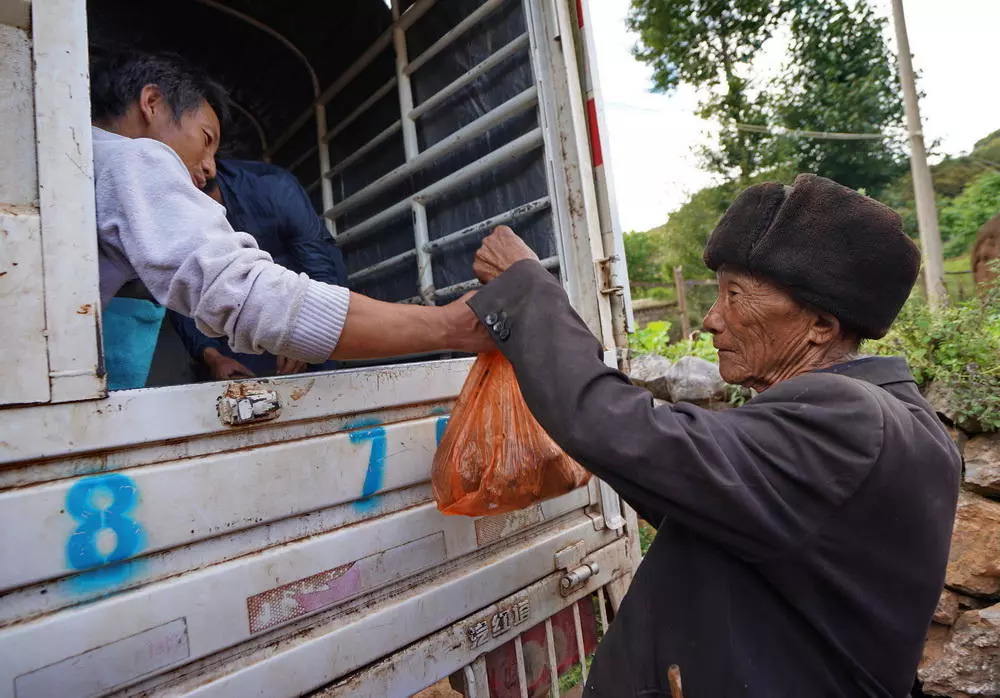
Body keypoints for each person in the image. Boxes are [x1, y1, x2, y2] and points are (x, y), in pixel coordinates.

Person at [468, 175, 961, 696]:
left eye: (734, 295)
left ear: (819, 325)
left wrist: (526, 293)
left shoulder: (848, 418)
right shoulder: (902, 422)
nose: (710, 319)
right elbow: (705, 494)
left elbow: (633, 434)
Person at [91, 51, 490, 373]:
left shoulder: (85, 159)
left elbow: (316, 256)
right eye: (206, 138)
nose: (210, 164)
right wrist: (447, 326)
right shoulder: (133, 159)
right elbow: (240, 292)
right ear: (152, 103)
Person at [169, 160, 347, 381]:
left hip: (305, 308)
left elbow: (321, 268)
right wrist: (214, 358)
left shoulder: (274, 189)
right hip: (238, 333)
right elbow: (181, 297)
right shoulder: (174, 226)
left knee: (321, 382)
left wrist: (306, 337)